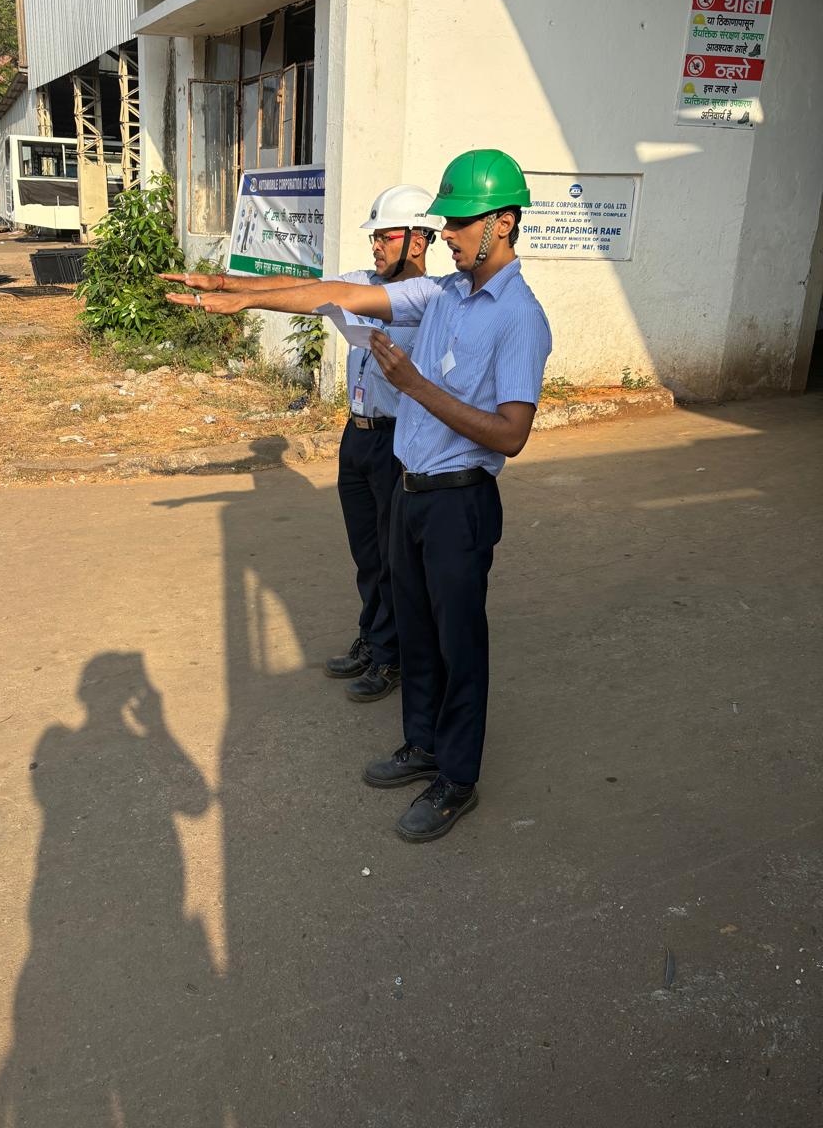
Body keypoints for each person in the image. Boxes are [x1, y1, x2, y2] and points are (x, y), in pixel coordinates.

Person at [162, 150, 551, 843]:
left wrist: (415, 386)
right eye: (445, 222)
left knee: (459, 645)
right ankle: (422, 744)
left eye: (459, 223)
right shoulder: (443, 295)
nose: (447, 234)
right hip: (410, 490)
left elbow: (512, 434)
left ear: (502, 222)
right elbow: (333, 294)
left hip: (460, 503)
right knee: (418, 634)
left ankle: (457, 778)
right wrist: (237, 290)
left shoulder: (520, 316)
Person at [162, 185, 442, 703]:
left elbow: (320, 297)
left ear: (418, 240)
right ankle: (373, 638)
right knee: (367, 554)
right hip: (357, 436)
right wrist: (226, 283)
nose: (375, 245)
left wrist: (244, 299)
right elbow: (304, 287)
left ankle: (393, 656)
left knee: (394, 557)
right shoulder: (363, 282)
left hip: (398, 440)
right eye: (374, 237)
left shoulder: (430, 300)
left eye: (384, 237)